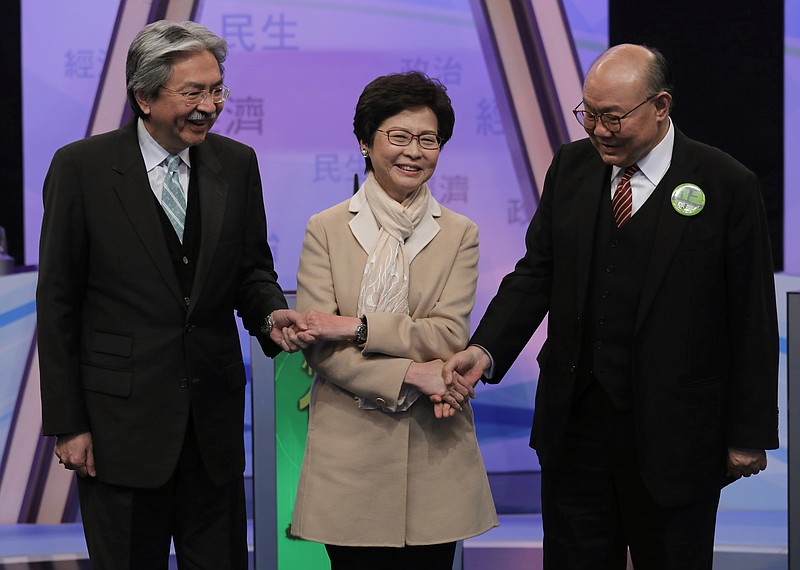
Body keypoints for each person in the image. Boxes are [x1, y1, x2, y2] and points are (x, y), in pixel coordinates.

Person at [442, 44, 778, 569]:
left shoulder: (725, 184)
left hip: (677, 436)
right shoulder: (572, 166)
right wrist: (485, 349)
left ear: (661, 106)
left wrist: (749, 432)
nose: (598, 130)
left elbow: (751, 317)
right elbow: (537, 272)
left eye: (612, 117)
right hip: (575, 429)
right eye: (589, 114)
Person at [37, 20, 308, 569]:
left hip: (212, 426)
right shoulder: (81, 168)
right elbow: (58, 304)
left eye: (216, 90)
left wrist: (271, 313)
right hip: (118, 428)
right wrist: (69, 423)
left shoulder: (237, 163)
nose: (210, 106)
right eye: (193, 93)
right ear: (144, 96)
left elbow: (251, 271)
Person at [287, 71, 498, 569]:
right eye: (398, 136)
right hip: (350, 456)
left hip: (434, 451)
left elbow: (448, 334)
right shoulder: (327, 228)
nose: (413, 151)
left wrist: (356, 327)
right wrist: (413, 371)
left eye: (428, 140)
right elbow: (320, 344)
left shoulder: (460, 234)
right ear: (365, 142)